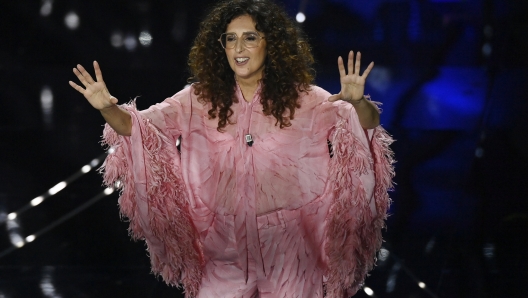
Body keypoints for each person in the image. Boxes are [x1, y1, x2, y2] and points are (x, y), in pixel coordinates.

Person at [69, 0, 394, 297]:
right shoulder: (197, 99)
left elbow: (362, 127)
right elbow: (140, 126)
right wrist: (107, 108)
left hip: (291, 250)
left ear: (271, 43)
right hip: (221, 251)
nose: (239, 48)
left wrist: (359, 102)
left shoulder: (307, 99)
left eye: (250, 37)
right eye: (230, 38)